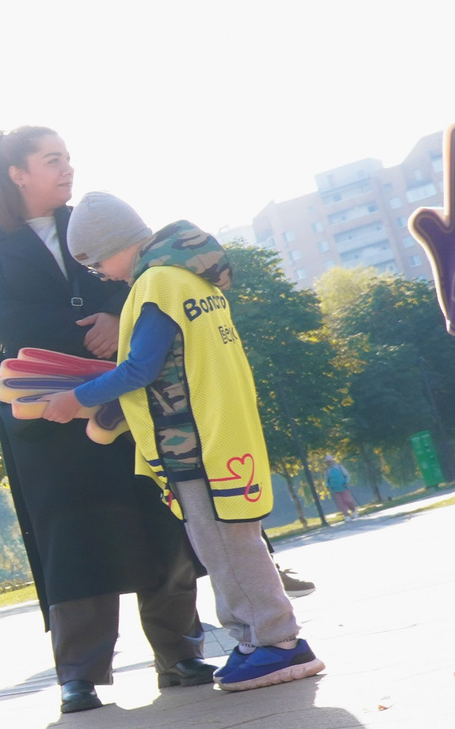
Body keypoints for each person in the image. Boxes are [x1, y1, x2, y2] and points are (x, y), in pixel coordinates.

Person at [0, 128, 211, 714]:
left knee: (157, 514)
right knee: (72, 534)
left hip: (125, 387)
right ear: (17, 173)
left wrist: (113, 317)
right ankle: (79, 672)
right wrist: (85, 325)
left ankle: (179, 654)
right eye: (53, 161)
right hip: (46, 406)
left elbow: (145, 276)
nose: (67, 169)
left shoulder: (94, 223)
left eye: (68, 159)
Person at [49, 195, 325, 693]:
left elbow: (140, 369)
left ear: (114, 245)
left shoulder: (154, 285)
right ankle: (253, 642)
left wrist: (77, 398)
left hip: (193, 442)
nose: (101, 275)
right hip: (223, 432)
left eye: (95, 263)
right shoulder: (191, 279)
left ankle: (278, 643)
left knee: (223, 547)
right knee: (235, 542)